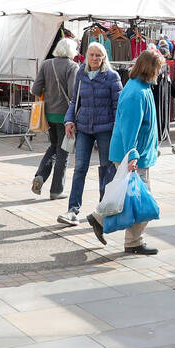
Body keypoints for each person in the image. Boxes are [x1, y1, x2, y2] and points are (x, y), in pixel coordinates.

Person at [86, 48, 163, 255]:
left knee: (132, 199)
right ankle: (131, 240)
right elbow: (130, 128)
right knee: (143, 202)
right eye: (158, 68)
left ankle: (102, 221)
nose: (160, 73)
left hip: (138, 155)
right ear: (150, 68)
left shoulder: (140, 88)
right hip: (133, 156)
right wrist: (132, 155)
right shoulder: (136, 92)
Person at [57, 41, 121, 227]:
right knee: (79, 169)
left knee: (107, 168)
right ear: (87, 56)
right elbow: (74, 100)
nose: (94, 58)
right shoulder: (81, 73)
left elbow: (118, 106)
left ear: (103, 58)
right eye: (91, 55)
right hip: (83, 127)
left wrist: (117, 128)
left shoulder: (112, 76)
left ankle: (103, 210)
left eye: (98, 55)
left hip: (105, 129)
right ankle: (72, 211)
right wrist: (69, 120)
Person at [29, 38, 79, 200]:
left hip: (48, 114)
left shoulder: (46, 64)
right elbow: (73, 93)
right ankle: (56, 190)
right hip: (66, 116)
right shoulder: (72, 66)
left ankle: (41, 176)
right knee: (63, 152)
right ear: (72, 51)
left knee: (54, 146)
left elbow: (35, 89)